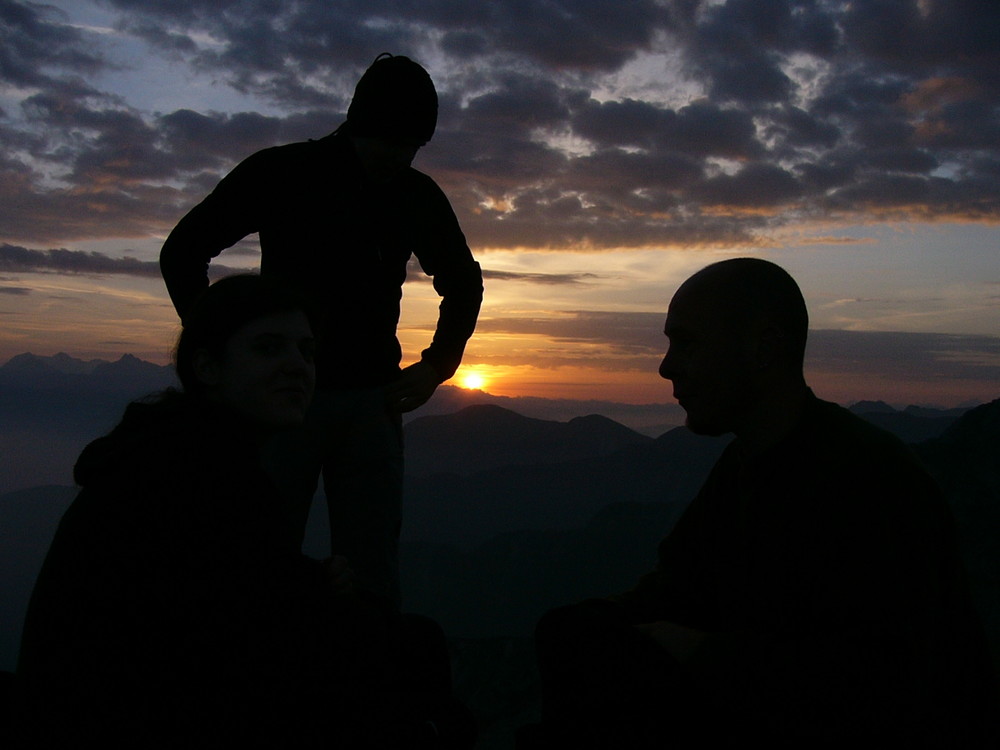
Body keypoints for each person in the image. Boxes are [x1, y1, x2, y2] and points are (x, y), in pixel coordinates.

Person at [522, 258, 991, 749]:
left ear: (764, 348)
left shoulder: (873, 484)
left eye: (687, 342)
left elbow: (884, 691)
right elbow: (679, 583)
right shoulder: (745, 465)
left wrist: (697, 653)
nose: (666, 366)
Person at [16, 275, 475, 748]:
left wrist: (304, 582)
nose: (297, 367)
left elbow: (226, 589)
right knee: (417, 668)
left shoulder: (181, 451)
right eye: (268, 349)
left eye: (306, 351)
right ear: (208, 367)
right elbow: (239, 651)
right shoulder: (200, 476)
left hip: (95, 706)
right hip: (119, 722)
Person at [159, 53, 483, 604]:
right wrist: (223, 352)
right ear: (357, 122)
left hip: (370, 399)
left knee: (370, 569)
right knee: (258, 559)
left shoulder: (412, 193)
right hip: (282, 405)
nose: (396, 156)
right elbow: (183, 253)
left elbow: (462, 281)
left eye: (410, 146)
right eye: (387, 141)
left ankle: (360, 675)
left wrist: (437, 367)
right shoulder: (282, 173)